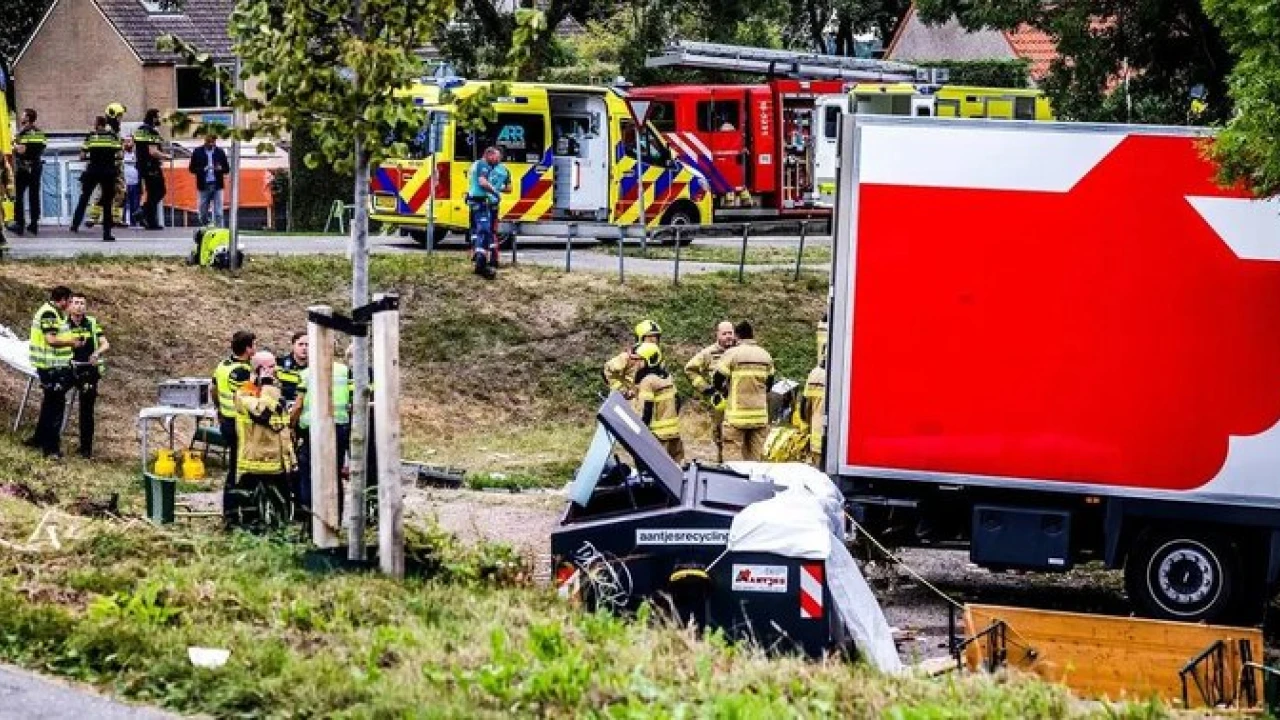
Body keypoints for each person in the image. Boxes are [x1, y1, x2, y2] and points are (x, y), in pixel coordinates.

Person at [230, 351, 297, 529]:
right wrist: (267, 385)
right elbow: (262, 413)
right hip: (256, 463)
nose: (275, 370)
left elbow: (282, 423)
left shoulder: (274, 390)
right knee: (251, 510)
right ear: (259, 370)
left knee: (281, 507)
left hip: (278, 462)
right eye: (271, 367)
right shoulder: (245, 392)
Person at [25, 286, 83, 459]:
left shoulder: (55, 313)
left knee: (49, 403)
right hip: (50, 367)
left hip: (54, 366)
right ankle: (51, 449)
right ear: (63, 300)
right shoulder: (49, 314)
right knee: (56, 406)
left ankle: (39, 439)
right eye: (70, 301)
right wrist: (71, 343)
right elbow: (50, 340)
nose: (71, 305)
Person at [294, 349, 351, 513]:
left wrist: (291, 424)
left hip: (313, 429)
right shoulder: (343, 371)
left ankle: (310, 517)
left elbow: (298, 405)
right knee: (334, 473)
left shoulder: (306, 373)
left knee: (309, 472)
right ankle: (336, 516)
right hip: (339, 427)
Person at [713, 321, 775, 462]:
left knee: (733, 457)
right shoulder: (766, 356)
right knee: (757, 459)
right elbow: (769, 385)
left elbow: (717, 379)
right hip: (759, 416)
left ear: (737, 336)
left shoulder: (732, 354)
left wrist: (724, 391)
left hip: (736, 417)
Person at [213, 331, 256, 515]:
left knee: (234, 465)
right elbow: (247, 399)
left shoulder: (223, 365)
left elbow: (213, 389)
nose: (255, 349)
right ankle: (235, 509)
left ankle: (232, 508)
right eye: (254, 345)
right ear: (248, 348)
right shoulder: (243, 372)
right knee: (238, 468)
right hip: (239, 424)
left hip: (226, 421)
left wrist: (220, 410)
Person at [684, 320, 737, 463]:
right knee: (720, 435)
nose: (728, 337)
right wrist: (707, 390)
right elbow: (690, 370)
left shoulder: (739, 351)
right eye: (724, 333)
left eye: (730, 333)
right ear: (717, 335)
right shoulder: (708, 353)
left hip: (739, 402)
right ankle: (722, 463)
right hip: (721, 402)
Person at [65, 293, 110, 459]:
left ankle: (86, 449)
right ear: (69, 306)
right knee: (55, 401)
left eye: (82, 303)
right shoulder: (63, 323)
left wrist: (97, 353)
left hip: (88, 371)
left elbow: (105, 343)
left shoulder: (91, 322)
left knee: (87, 410)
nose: (79, 306)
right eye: (76, 303)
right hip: (69, 369)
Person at [69, 116, 122, 242]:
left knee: (84, 197)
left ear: (98, 125)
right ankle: (107, 233)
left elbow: (82, 156)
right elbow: (120, 154)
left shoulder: (91, 137)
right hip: (108, 172)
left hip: (93, 171)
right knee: (107, 202)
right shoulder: (113, 137)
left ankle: (75, 225)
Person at [633, 342, 684, 463]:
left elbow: (646, 409)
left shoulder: (647, 381)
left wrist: (641, 432)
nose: (636, 363)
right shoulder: (667, 377)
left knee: (657, 470)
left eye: (639, 360)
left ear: (649, 359)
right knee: (677, 469)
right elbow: (678, 400)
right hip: (674, 433)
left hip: (658, 437)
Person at [466, 146, 510, 278]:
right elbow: (482, 182)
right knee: (485, 230)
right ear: (489, 155)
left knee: (482, 230)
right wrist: (495, 192)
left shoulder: (478, 165)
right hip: (480, 201)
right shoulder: (483, 164)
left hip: (478, 200)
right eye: (496, 157)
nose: (498, 160)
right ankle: (481, 262)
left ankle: (481, 259)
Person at [9, 108, 46, 236]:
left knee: (19, 195)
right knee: (34, 195)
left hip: (25, 167)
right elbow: (42, 149)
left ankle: (19, 224)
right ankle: (34, 224)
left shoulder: (23, 133)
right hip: (36, 166)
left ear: (28, 118)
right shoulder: (40, 133)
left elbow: (21, 150)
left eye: (23, 115)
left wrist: (12, 146)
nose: (21, 117)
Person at [603, 319, 662, 399]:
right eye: (650, 338)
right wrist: (622, 390)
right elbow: (606, 370)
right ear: (640, 338)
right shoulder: (629, 357)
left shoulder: (656, 357)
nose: (654, 341)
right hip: (624, 402)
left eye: (656, 338)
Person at [134, 108, 171, 230]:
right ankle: (142, 211)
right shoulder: (151, 131)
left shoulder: (139, 130)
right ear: (154, 118)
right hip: (152, 166)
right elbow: (153, 151)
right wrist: (166, 156)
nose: (159, 119)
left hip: (142, 166)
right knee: (160, 191)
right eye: (158, 117)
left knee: (151, 194)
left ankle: (151, 222)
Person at [189, 133, 230, 227]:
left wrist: (220, 169)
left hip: (217, 184)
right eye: (209, 142)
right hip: (203, 185)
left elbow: (227, 169)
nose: (211, 144)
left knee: (218, 211)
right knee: (202, 211)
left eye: (213, 142)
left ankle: (219, 230)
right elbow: (191, 169)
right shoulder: (197, 151)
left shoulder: (220, 152)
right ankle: (207, 226)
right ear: (205, 140)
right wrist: (203, 169)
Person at [275, 332, 309, 408]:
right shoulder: (280, 364)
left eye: (307, 345)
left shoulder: (315, 368)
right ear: (293, 345)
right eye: (300, 344)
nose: (304, 348)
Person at [122, 137, 142, 227]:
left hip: (135, 183)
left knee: (135, 204)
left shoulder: (137, 154)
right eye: (126, 141)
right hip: (124, 183)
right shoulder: (121, 154)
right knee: (123, 205)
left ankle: (134, 223)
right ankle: (122, 222)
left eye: (129, 141)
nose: (127, 143)